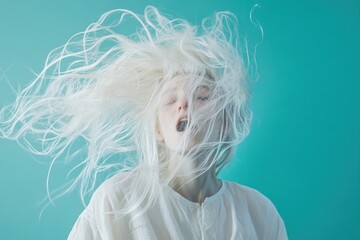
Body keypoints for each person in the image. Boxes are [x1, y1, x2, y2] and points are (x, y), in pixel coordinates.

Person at [0, 6, 287, 239]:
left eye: (201, 96)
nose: (184, 103)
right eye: (170, 100)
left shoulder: (258, 211)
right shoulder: (118, 199)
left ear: (225, 123)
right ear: (157, 130)